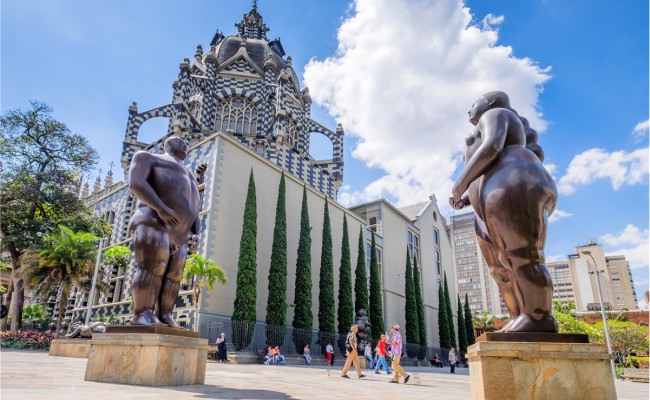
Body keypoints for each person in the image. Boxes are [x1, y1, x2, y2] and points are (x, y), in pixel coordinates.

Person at [450, 91, 558, 333]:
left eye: (473, 103)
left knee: (521, 255)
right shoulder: (490, 116)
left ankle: (538, 316)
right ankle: (518, 315)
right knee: (499, 267)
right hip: (488, 202)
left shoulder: (495, 113)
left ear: (488, 102)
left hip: (512, 186)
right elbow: (485, 169)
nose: (470, 109)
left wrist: (460, 183)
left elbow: (492, 146)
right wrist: (467, 199)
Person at [128, 136, 206, 327]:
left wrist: (196, 232)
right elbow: (137, 183)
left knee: (173, 276)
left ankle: (165, 314)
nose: (185, 144)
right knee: (153, 267)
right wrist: (161, 208)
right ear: (168, 144)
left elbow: (194, 208)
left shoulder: (190, 176)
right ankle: (142, 314)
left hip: (180, 235)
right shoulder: (148, 157)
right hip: (153, 221)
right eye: (181, 141)